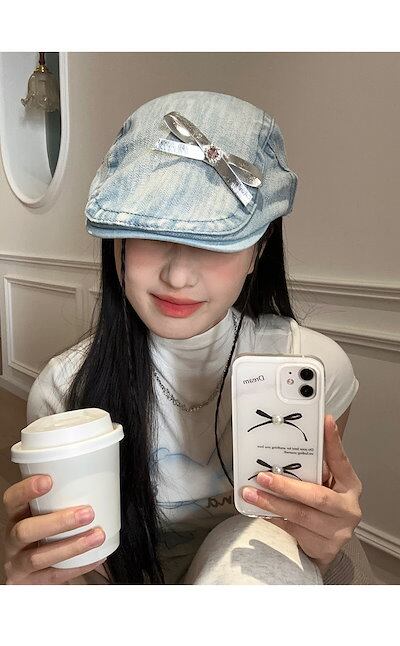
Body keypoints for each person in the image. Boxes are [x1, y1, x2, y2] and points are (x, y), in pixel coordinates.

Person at [3, 90, 363, 585]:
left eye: (215, 240)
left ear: (258, 249)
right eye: (152, 233)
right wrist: (28, 587)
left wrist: (322, 541)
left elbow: (301, 540)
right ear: (118, 240)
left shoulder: (314, 367)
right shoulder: (65, 393)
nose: (177, 276)